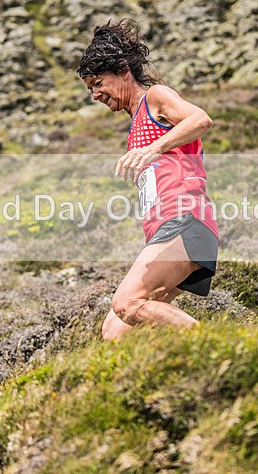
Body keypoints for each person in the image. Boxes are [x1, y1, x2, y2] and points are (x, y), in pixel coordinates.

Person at [77, 19, 220, 342]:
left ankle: (219, 345)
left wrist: (154, 148)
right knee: (115, 331)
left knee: (127, 302)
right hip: (164, 229)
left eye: (98, 83)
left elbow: (201, 119)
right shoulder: (135, 124)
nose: (95, 94)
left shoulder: (155, 97)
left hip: (186, 220)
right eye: (90, 89)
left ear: (123, 71)